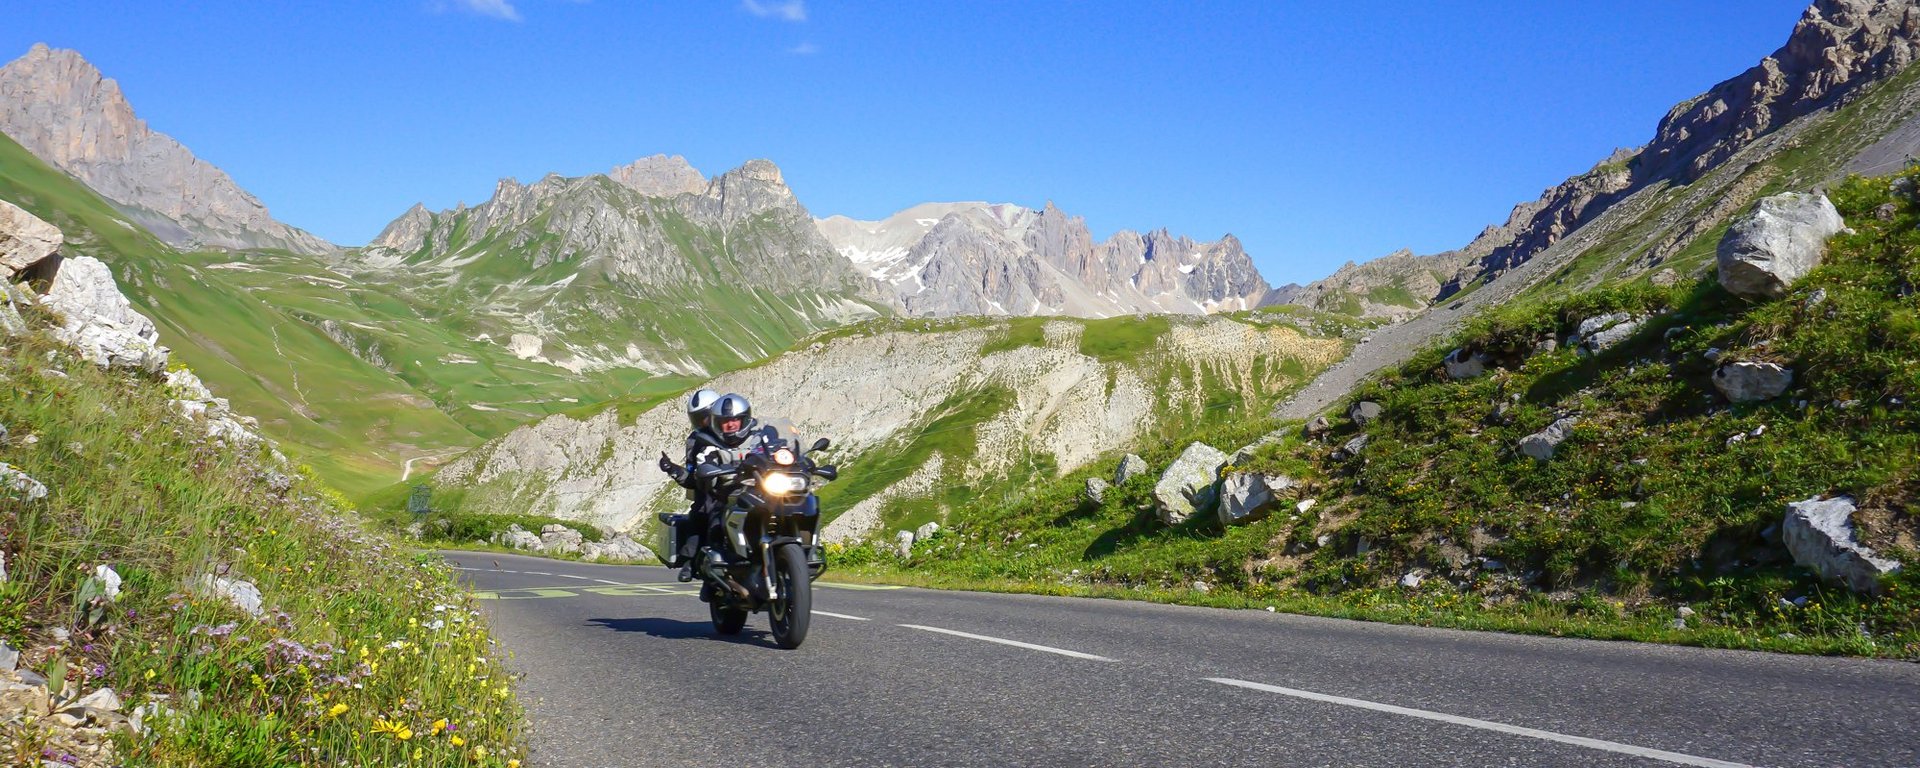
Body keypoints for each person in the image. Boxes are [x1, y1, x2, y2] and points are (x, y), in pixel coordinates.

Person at [660, 388, 721, 581]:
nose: (703, 422)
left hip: (744, 484)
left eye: (706, 416)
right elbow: (692, 477)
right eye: (699, 418)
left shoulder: (734, 429)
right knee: (703, 510)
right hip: (712, 489)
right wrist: (673, 469)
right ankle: (689, 561)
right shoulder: (695, 441)